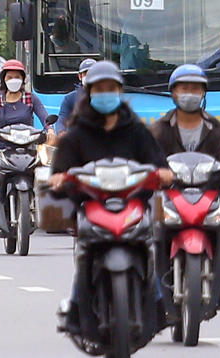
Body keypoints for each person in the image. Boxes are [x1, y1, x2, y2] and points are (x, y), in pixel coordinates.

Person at [47, 60, 173, 334]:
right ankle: (77, 306)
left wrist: (163, 173)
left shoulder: (136, 130)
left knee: (150, 243)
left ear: (120, 91)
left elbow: (158, 162)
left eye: (111, 88)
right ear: (89, 93)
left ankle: (158, 302)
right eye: (99, 89)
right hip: (91, 205)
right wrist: (59, 178)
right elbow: (60, 170)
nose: (105, 94)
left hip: (134, 202)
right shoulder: (76, 134)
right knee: (84, 251)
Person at [150, 64, 220, 308]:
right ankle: (151, 287)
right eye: (184, 88)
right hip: (168, 195)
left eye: (195, 88)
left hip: (208, 195)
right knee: (147, 226)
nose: (190, 93)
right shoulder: (159, 128)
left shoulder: (217, 129)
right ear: (173, 93)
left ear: (203, 93)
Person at [0, 59, 53, 223]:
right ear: (3, 79)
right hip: (3, 146)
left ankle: (43, 207)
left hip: (29, 146)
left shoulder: (30, 98)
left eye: (17, 77)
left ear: (23, 79)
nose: (13, 80)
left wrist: (50, 130)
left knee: (47, 169)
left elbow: (44, 116)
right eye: (9, 76)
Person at [55, 58, 96, 133]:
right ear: (80, 76)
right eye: (86, 74)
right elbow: (61, 120)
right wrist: (61, 132)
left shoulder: (105, 97)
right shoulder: (70, 98)